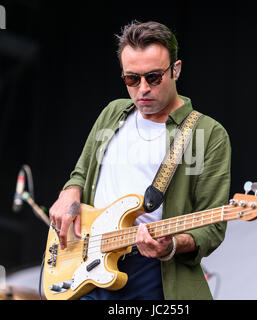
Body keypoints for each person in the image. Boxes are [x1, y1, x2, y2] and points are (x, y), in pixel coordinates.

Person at [49, 20, 231, 300]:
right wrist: (68, 193)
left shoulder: (208, 133)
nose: (142, 89)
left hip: (152, 271)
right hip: (84, 263)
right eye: (132, 79)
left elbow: (213, 227)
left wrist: (171, 246)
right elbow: (80, 173)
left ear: (176, 70)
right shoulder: (112, 113)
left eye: (154, 77)